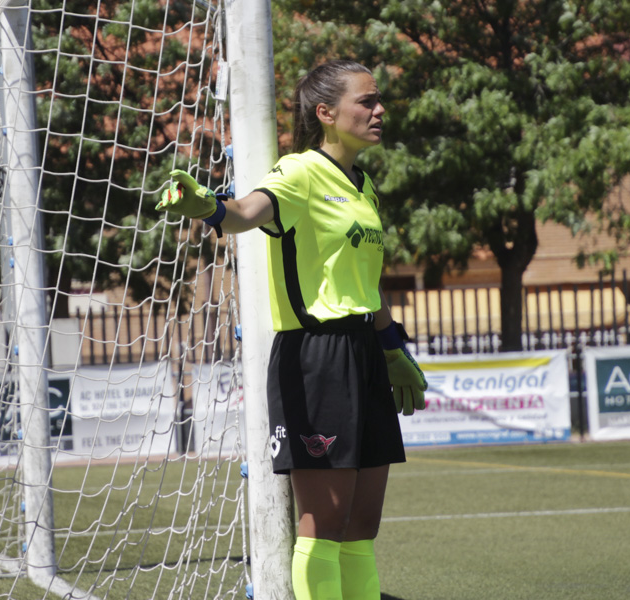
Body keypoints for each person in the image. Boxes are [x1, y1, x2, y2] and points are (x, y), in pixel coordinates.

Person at [156, 60, 427, 600]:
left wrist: (392, 348)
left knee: (362, 525)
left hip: (365, 353)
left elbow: (364, 288)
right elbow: (246, 213)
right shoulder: (299, 171)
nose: (379, 110)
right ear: (325, 113)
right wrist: (207, 207)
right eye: (366, 101)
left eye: (378, 100)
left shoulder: (365, 187)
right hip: (315, 360)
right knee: (323, 523)